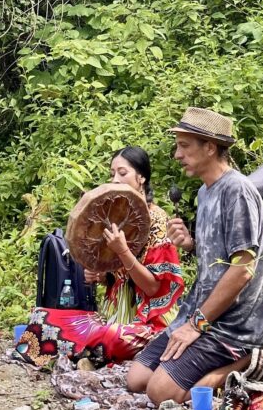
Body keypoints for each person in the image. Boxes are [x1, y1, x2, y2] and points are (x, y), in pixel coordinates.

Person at [127, 107, 263, 405]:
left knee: (160, 392)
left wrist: (195, 326)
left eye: (184, 146)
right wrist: (191, 244)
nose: (177, 155)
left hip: (235, 325)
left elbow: (243, 269)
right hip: (202, 313)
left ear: (210, 147)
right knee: (137, 379)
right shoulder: (205, 193)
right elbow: (219, 257)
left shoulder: (237, 191)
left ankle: (254, 358)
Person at [14, 147, 185, 366]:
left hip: (149, 324)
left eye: (122, 173)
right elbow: (116, 277)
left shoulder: (158, 221)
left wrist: (123, 251)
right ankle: (88, 353)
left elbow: (153, 289)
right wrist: (100, 276)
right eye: (112, 174)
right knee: (46, 317)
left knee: (113, 336)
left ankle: (86, 353)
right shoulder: (114, 216)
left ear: (141, 177)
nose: (115, 180)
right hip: (112, 318)